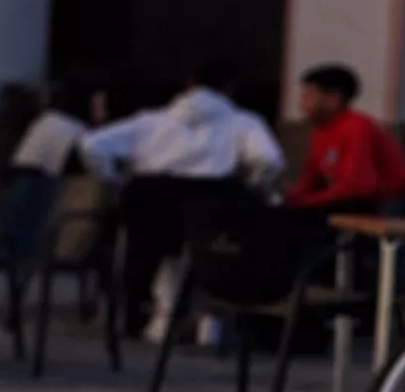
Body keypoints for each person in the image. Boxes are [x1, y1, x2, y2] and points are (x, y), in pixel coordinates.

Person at [80, 67, 286, 342]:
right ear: (230, 89)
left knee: (143, 251)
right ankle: (206, 321)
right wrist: (252, 184)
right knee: (209, 254)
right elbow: (270, 160)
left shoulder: (151, 120)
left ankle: (134, 313)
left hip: (152, 195)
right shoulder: (243, 122)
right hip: (211, 198)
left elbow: (91, 144)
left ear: (188, 86)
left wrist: (115, 179)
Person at [281, 63, 405, 214]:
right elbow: (312, 177)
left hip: (386, 206)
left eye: (309, 96)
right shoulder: (321, 130)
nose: (302, 105)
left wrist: (307, 202)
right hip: (349, 201)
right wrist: (289, 198)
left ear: (333, 99)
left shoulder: (357, 127)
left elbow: (356, 187)